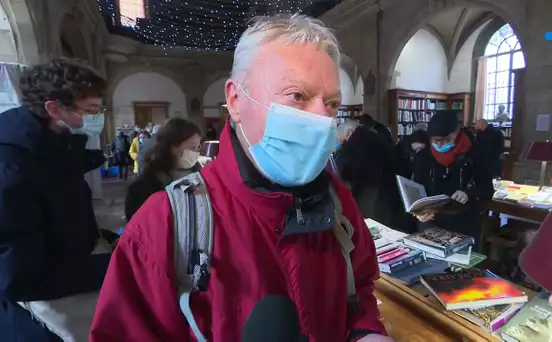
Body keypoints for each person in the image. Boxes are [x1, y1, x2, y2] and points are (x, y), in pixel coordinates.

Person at [91, 14, 390, 342]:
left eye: (331, 103)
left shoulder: (338, 201)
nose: (322, 118)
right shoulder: (164, 223)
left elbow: (359, 289)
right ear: (235, 100)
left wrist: (365, 332)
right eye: (297, 95)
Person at [0, 58, 112, 341]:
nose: (97, 117)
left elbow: (65, 221)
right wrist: (116, 263)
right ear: (54, 108)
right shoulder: (12, 167)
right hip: (38, 323)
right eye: (90, 110)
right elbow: (20, 277)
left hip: (73, 280)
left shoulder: (54, 149)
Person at [413, 111, 486, 247]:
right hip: (431, 223)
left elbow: (486, 188)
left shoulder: (475, 153)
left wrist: (468, 193)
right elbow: (416, 187)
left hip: (464, 224)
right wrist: (418, 212)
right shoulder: (424, 156)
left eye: (446, 140)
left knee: (463, 266)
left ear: (456, 132)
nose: (440, 145)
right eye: (435, 141)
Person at [124, 118, 202, 221]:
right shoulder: (141, 189)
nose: (196, 153)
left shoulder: (199, 179)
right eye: (192, 147)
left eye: (198, 147)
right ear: (173, 145)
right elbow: (137, 229)